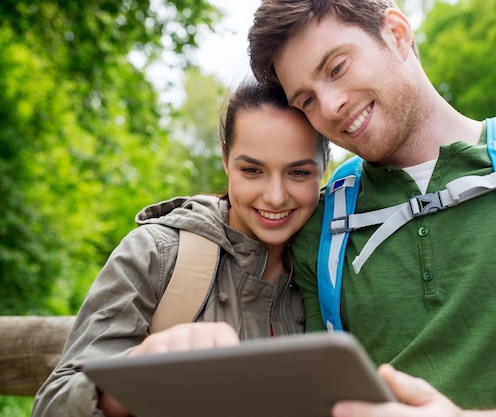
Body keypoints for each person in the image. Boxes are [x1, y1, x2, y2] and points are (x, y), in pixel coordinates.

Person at [247, 1, 496, 416]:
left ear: (396, 33)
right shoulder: (319, 226)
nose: (331, 106)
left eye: (337, 68)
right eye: (307, 101)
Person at [31, 77, 329, 417]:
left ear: (324, 164)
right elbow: (52, 404)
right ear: (224, 157)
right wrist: (136, 377)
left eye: (298, 173)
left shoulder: (339, 259)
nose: (275, 196)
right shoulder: (155, 254)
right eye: (252, 170)